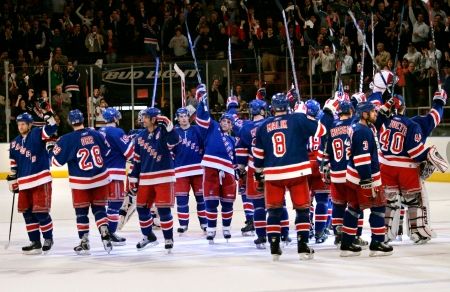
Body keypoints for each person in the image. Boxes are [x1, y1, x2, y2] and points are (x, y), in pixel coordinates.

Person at [252, 93, 332, 261]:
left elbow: (258, 156)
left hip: (273, 173)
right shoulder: (297, 118)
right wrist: (322, 114)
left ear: (272, 108)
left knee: (273, 211)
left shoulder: (263, 126)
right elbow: (322, 130)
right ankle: (302, 247)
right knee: (302, 209)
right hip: (297, 171)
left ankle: (274, 247)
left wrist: (258, 175)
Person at [379, 94, 448, 244]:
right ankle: (418, 233)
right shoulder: (412, 125)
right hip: (405, 169)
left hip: (385, 167)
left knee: (390, 202)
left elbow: (378, 115)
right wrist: (429, 154)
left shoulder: (383, 122)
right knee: (414, 201)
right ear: (404, 107)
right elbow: (416, 154)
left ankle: (384, 233)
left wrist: (386, 106)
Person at [51, 109, 113, 255]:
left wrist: (51, 149)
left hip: (80, 182)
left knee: (81, 212)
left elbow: (56, 162)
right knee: (99, 209)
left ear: (69, 122)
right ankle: (104, 231)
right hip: (100, 179)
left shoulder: (66, 139)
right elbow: (107, 152)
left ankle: (84, 241)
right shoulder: (97, 134)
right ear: (83, 119)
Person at [340, 102, 393, 257]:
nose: (375, 114)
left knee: (353, 209)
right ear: (364, 114)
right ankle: (377, 242)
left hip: (352, 177)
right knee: (378, 208)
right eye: (372, 112)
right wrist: (367, 181)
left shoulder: (355, 126)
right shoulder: (363, 132)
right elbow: (362, 159)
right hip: (364, 178)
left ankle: (347, 243)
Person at [128, 107, 180, 252]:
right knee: (141, 208)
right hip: (145, 178)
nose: (143, 120)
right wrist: (133, 178)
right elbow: (136, 160)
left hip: (164, 177)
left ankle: (168, 238)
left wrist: (168, 124)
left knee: (163, 210)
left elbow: (175, 141)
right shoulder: (140, 137)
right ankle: (148, 236)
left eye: (145, 117)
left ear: (154, 119)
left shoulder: (164, 132)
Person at [318, 99, 367, 248]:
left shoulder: (331, 127)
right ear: (352, 111)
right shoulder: (355, 126)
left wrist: (325, 165)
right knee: (356, 205)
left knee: (338, 205)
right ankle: (355, 235)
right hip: (351, 174)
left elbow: (322, 155)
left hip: (336, 174)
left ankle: (339, 235)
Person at [8, 111, 57, 254]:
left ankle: (48, 238)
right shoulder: (14, 142)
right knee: (27, 214)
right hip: (24, 183)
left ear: (29, 124)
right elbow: (14, 164)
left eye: (23, 124)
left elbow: (52, 128)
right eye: (19, 124)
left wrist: (49, 116)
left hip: (41, 180)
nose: (20, 126)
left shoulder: (37, 133)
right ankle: (35, 241)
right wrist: (13, 179)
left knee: (41, 212)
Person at [195, 84, 237, 244]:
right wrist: (202, 100)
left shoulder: (233, 140)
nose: (225, 123)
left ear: (231, 125)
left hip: (228, 171)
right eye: (223, 121)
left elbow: (236, 158)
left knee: (227, 202)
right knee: (211, 201)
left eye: (228, 121)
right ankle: (211, 230)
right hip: (211, 167)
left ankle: (226, 228)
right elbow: (203, 117)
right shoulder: (212, 128)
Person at [98, 108, 134, 245]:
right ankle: (110, 234)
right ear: (116, 119)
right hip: (114, 174)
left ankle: (104, 232)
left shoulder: (98, 132)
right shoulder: (118, 132)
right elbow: (130, 153)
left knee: (104, 206)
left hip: (100, 175)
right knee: (115, 205)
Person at [171, 107, 207, 234]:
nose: (183, 118)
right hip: (180, 170)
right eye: (180, 116)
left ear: (189, 117)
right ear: (177, 119)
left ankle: (204, 223)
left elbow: (206, 143)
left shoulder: (197, 129)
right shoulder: (173, 132)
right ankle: (183, 224)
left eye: (185, 116)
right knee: (181, 199)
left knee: (201, 199)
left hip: (198, 169)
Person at [305, 99, 330, 244]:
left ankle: (307, 228)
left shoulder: (301, 124)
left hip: (304, 165)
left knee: (305, 201)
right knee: (322, 200)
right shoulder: (323, 125)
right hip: (319, 163)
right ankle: (320, 232)